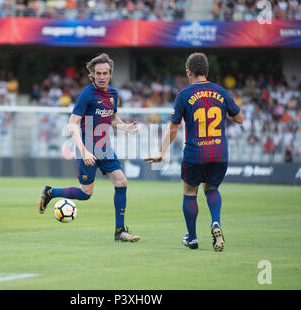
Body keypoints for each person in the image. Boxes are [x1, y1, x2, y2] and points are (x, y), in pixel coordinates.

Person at [144, 53, 243, 251]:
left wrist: (161, 152)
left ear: (189, 72)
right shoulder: (221, 91)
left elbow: (173, 128)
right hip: (219, 152)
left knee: (190, 192)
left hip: (195, 153)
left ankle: (193, 238)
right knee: (212, 189)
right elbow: (239, 118)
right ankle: (216, 223)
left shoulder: (184, 95)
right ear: (206, 71)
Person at [37, 53, 141, 242]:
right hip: (87, 147)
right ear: (93, 74)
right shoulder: (87, 94)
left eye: (105, 73)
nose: (101, 77)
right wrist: (84, 151)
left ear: (110, 74)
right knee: (86, 194)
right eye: (98, 73)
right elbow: (72, 123)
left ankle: (120, 231)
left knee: (121, 182)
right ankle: (50, 192)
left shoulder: (113, 94)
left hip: (105, 147)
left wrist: (127, 127)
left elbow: (113, 119)